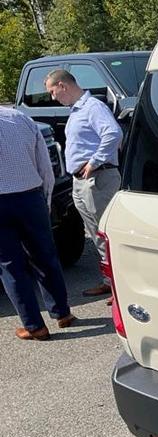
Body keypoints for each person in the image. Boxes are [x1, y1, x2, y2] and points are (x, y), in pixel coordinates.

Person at [44, 69, 122, 304]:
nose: (52, 97)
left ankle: (121, 288)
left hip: (98, 179)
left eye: (52, 91)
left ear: (63, 85)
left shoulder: (92, 107)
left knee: (107, 234)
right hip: (82, 181)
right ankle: (110, 282)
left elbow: (113, 133)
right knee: (97, 235)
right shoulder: (78, 110)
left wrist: (95, 162)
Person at [0, 106, 76, 340]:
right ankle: (62, 313)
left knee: (11, 266)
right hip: (30, 197)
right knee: (45, 255)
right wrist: (46, 197)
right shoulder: (19, 117)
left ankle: (35, 326)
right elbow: (45, 164)